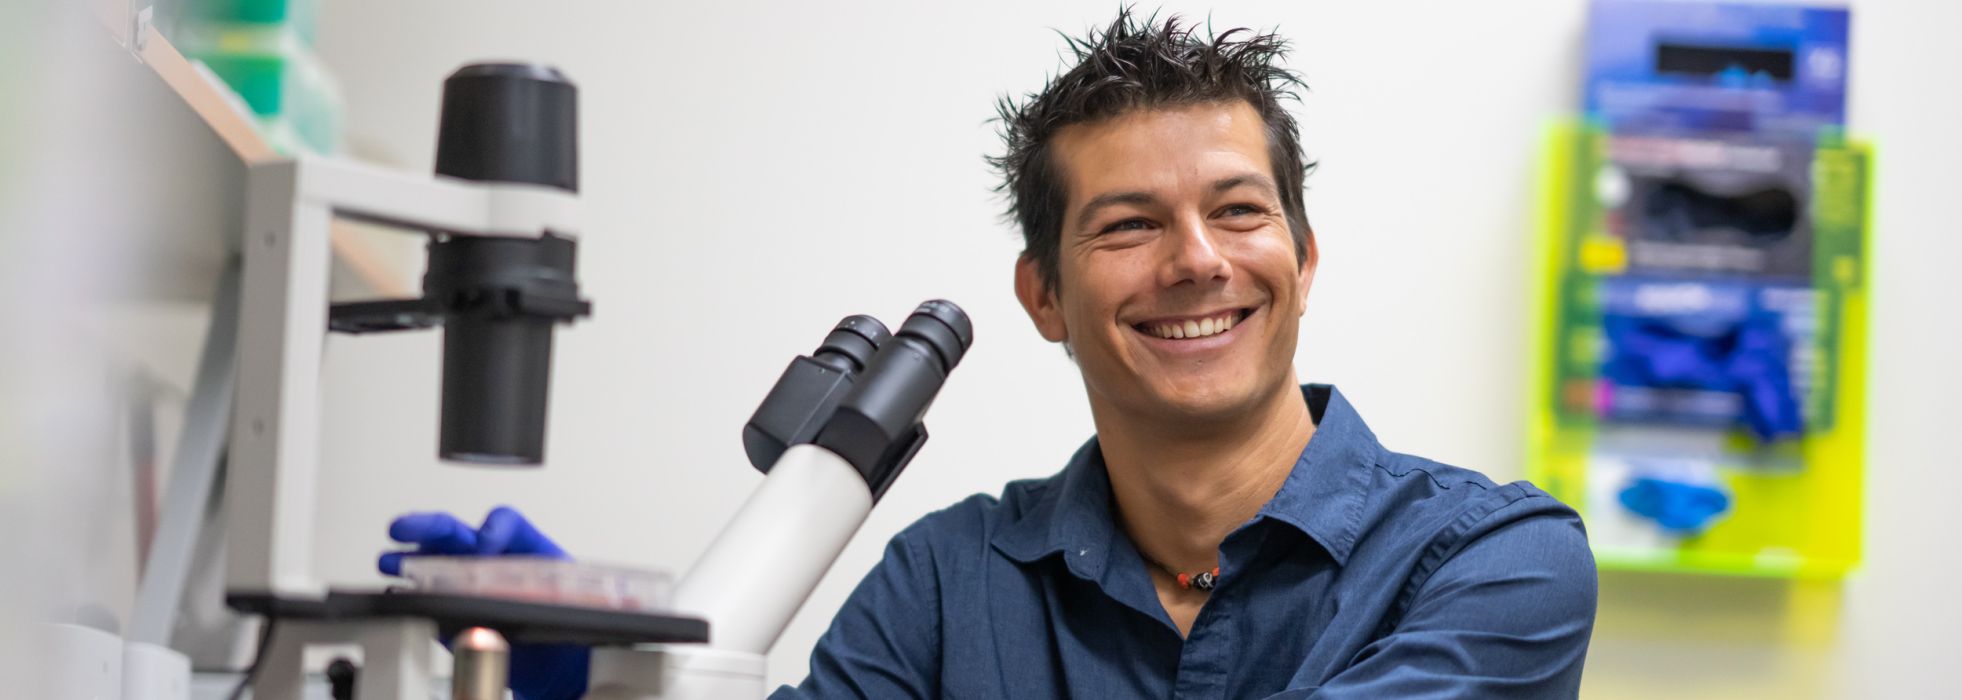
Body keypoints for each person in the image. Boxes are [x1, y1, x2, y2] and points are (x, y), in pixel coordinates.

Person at [384, 10, 1597, 699]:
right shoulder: (946, 580)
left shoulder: (1494, 561)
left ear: (1303, 256)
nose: (1196, 260)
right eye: (1128, 225)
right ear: (1044, 296)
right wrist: (617, 678)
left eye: (1237, 211)